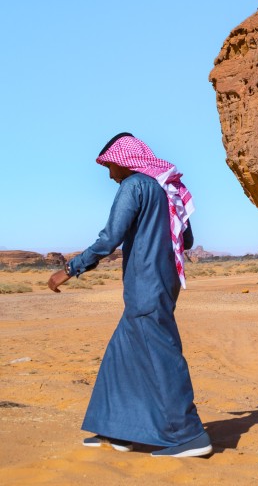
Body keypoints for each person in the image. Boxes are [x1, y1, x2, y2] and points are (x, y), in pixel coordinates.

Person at [48, 133, 212, 458]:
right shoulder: (167, 188)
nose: (110, 175)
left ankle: (190, 434)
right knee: (121, 354)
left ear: (124, 162)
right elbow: (188, 240)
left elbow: (109, 238)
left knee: (162, 357)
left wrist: (70, 269)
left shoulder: (134, 186)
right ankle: (118, 430)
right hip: (163, 282)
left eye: (110, 167)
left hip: (145, 285)